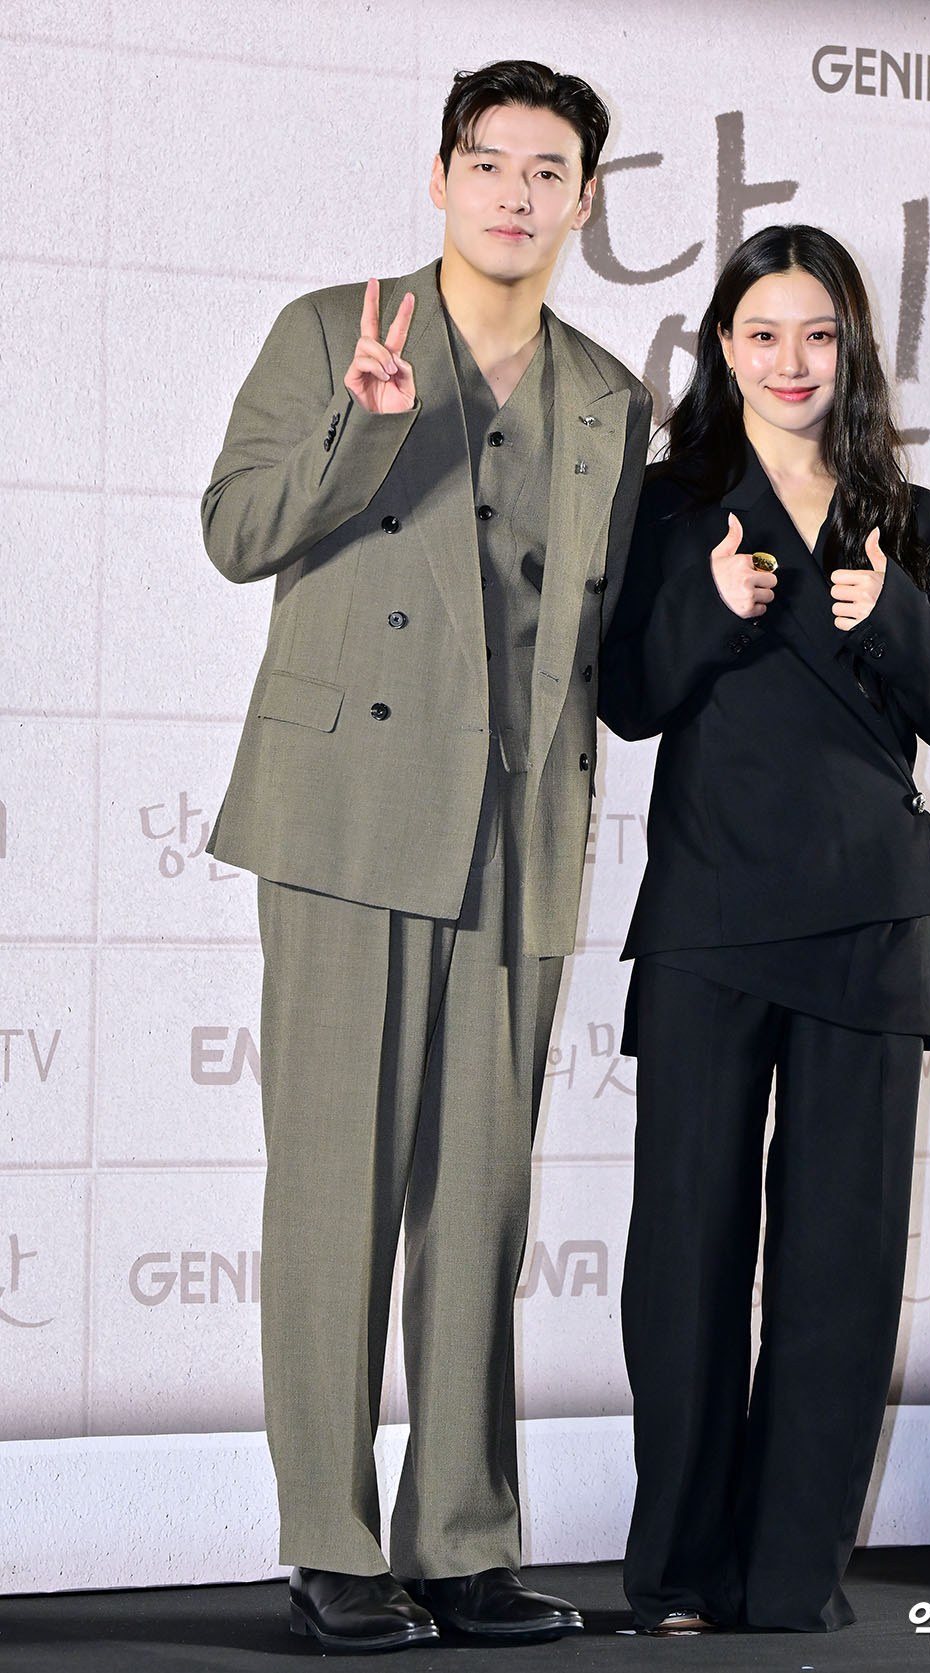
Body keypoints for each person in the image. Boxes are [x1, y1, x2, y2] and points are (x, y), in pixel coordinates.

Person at [201, 60, 652, 1653]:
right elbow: (235, 531)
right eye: (491, 163)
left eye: (549, 171)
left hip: (515, 827)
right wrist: (360, 426)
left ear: (585, 200)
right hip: (347, 814)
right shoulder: (334, 329)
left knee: (481, 1206)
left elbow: (604, 631)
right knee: (334, 1190)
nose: (517, 194)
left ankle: (460, 1540)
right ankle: (330, 1538)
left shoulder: (610, 394)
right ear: (443, 177)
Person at [598, 224, 930, 1635]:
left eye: (818, 336)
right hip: (710, 917)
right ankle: (680, 1574)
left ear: (852, 350)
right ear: (724, 348)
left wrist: (892, 613)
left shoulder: (910, 513)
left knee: (840, 1268)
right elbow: (627, 699)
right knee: (687, 1259)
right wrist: (708, 610)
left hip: (871, 923)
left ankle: (791, 1579)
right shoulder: (670, 506)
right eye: (763, 334)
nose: (792, 362)